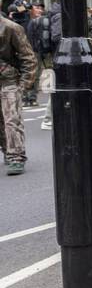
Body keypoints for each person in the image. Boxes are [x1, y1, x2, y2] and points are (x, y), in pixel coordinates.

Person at [0, 12, 38, 175]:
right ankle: (8, 152)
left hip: (9, 81)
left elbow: (28, 57)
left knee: (11, 119)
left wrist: (24, 85)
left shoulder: (11, 28)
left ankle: (16, 156)